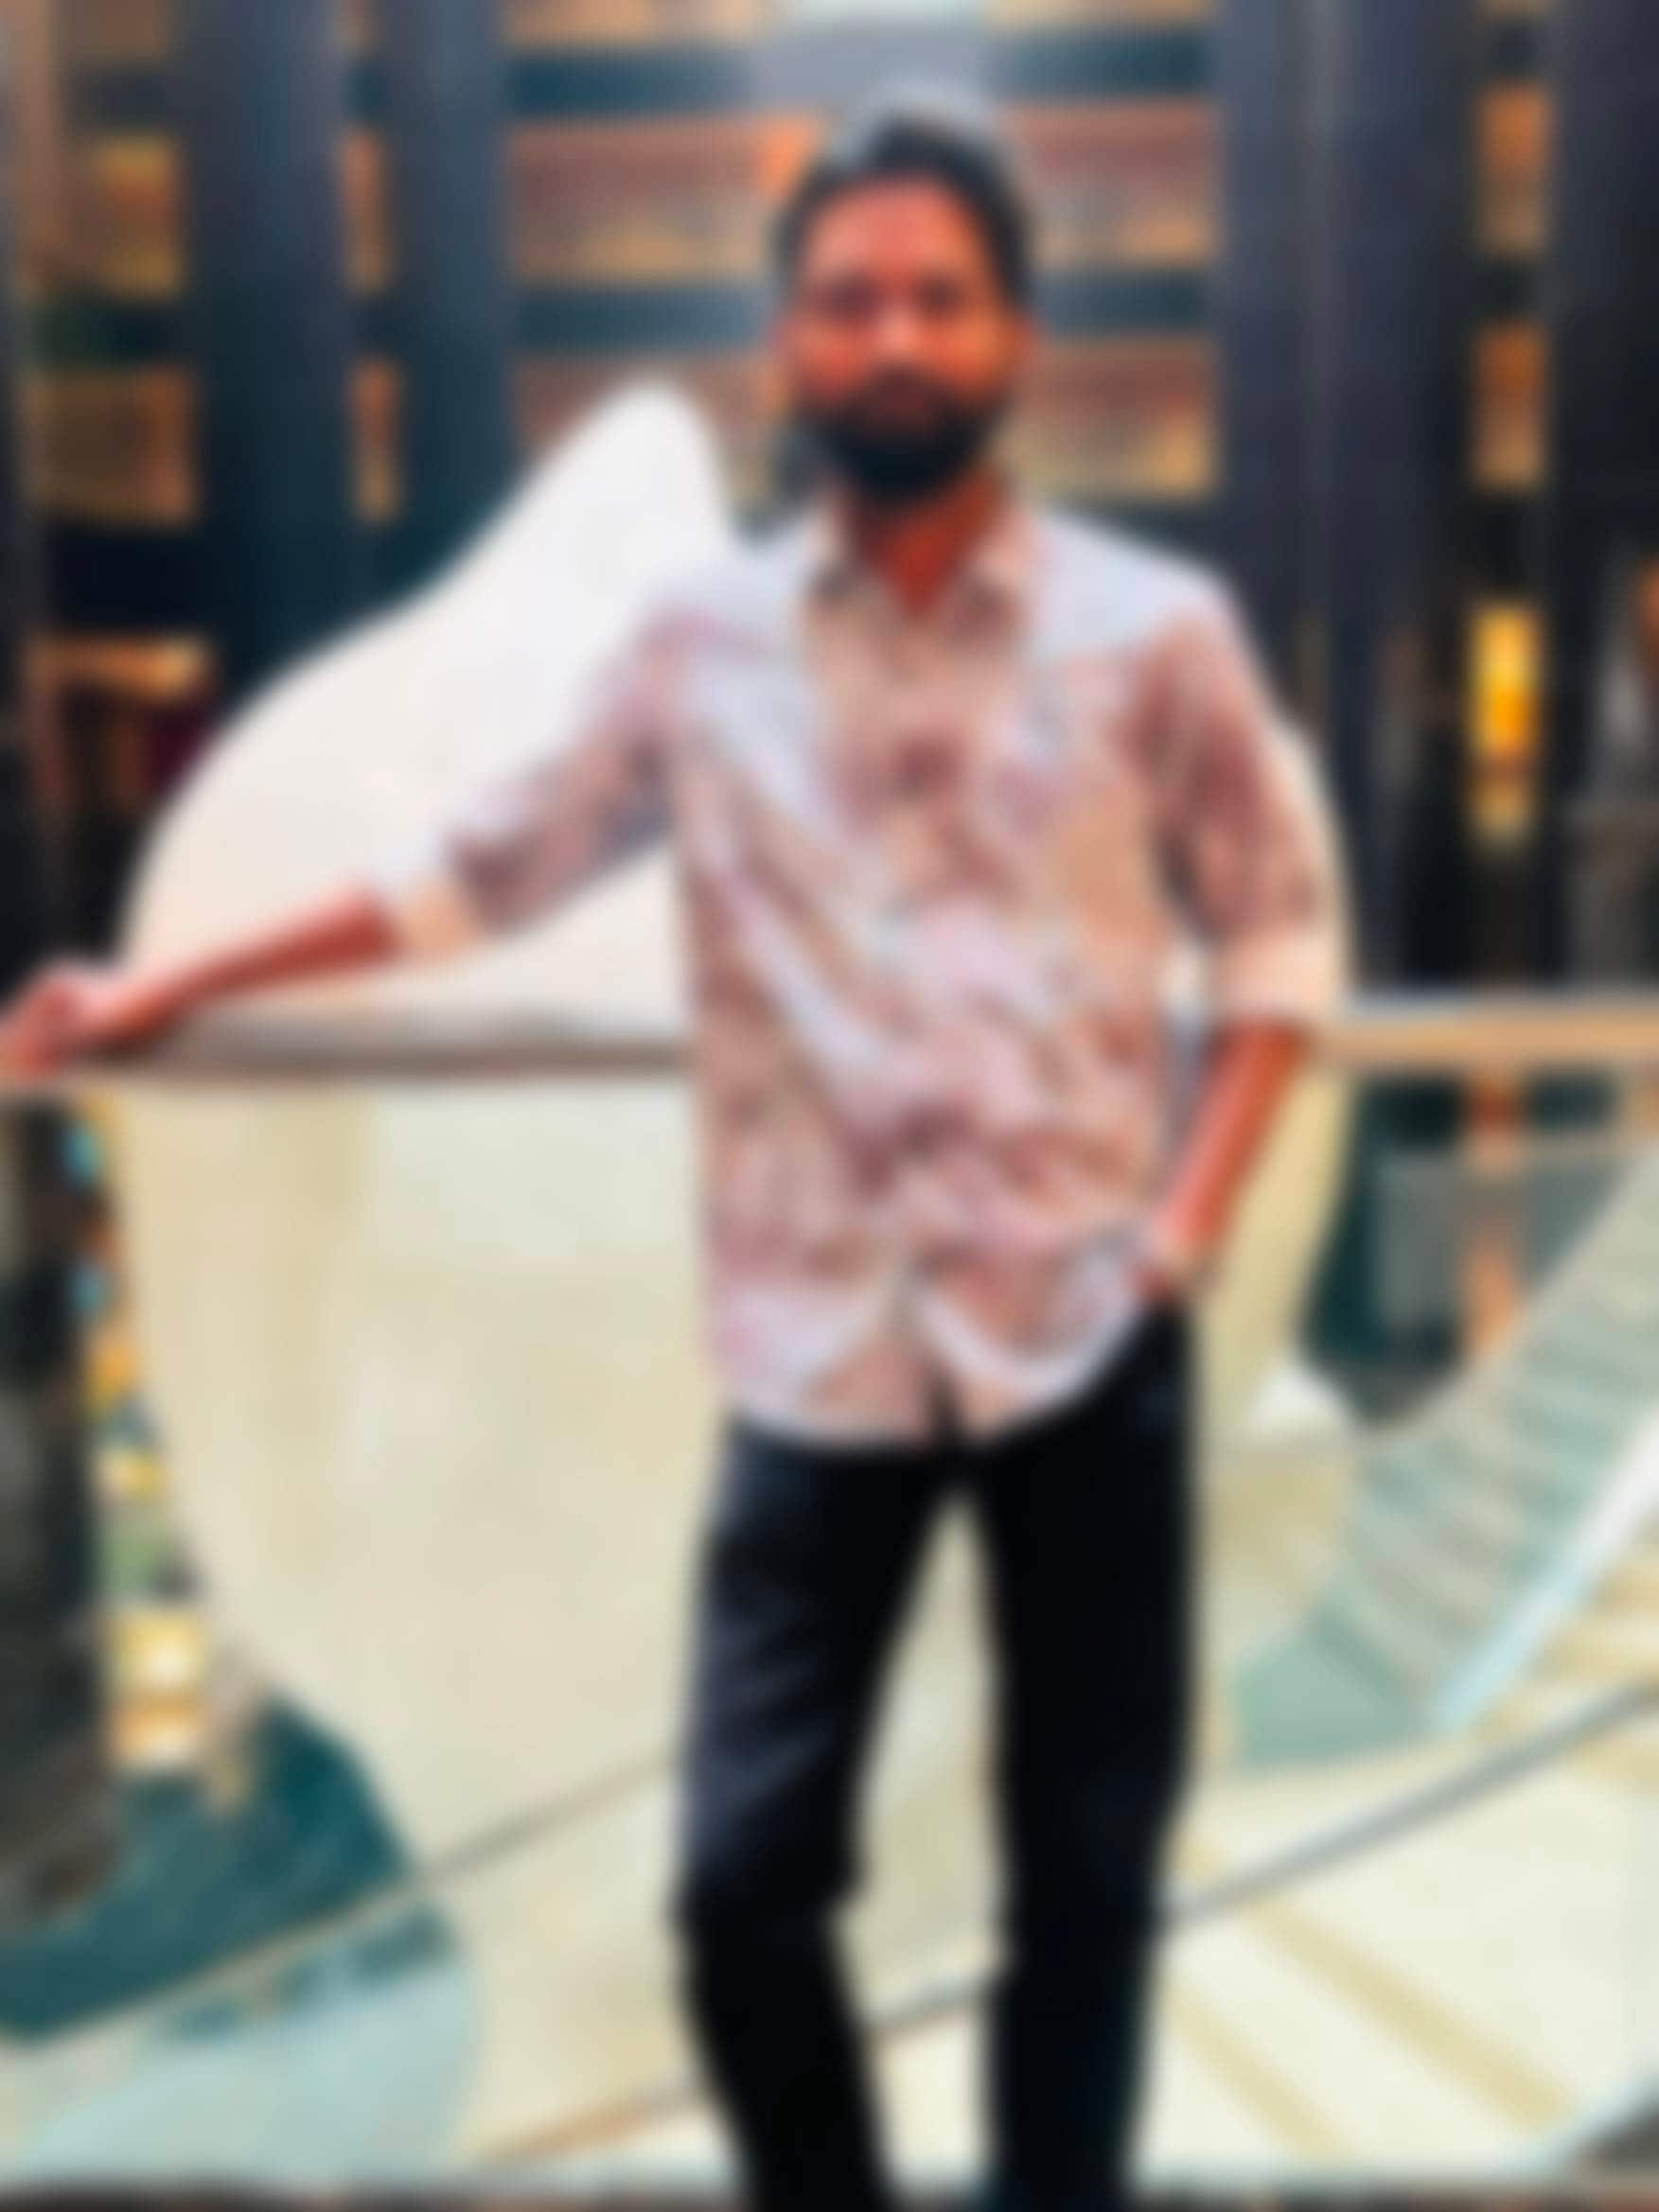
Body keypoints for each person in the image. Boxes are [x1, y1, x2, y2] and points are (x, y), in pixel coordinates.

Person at [0, 85, 1349, 2212]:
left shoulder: (1153, 633)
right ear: (787, 342)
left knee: (1080, 1890)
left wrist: (1177, 1241)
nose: (892, 337)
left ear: (1013, 332)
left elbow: (1281, 953)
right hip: (812, 1376)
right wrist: (166, 984)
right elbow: (474, 872)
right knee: (732, 1890)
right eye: (849, 299)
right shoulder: (706, 645)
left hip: (1080, 1360)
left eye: (937, 296)